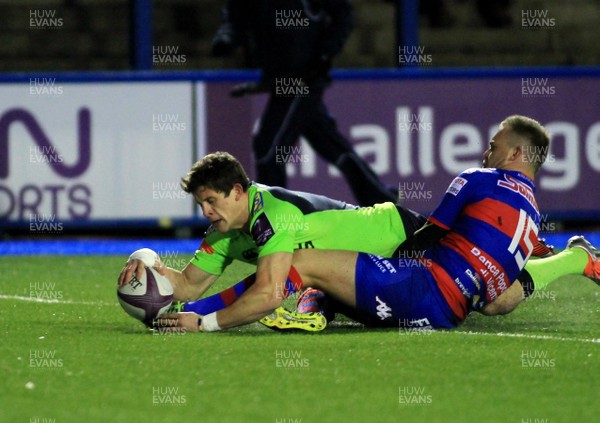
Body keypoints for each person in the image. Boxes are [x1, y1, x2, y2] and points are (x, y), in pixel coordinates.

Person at [119, 116, 596, 332]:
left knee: (291, 273)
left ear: (239, 192)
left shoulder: (274, 216)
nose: (206, 214)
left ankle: (315, 305)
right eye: (201, 205)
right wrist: (150, 267)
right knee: (493, 301)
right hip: (385, 265)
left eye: (211, 202)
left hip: (397, 236)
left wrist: (201, 321)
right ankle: (576, 258)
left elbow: (264, 291)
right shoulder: (223, 232)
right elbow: (186, 284)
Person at [210, 0, 397, 206]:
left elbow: (343, 13)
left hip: (304, 78)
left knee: (268, 147)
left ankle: (273, 217)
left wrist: (325, 52)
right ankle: (382, 197)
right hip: (278, 78)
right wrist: (226, 37)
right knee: (330, 144)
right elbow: (235, 17)